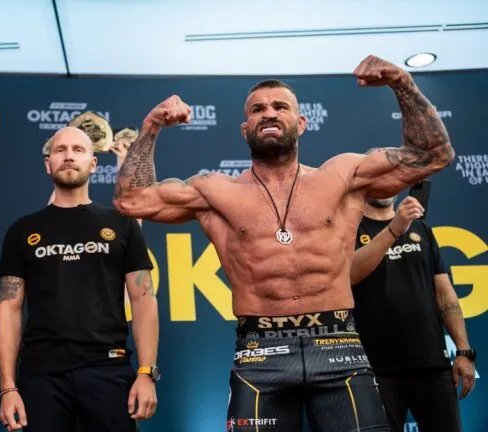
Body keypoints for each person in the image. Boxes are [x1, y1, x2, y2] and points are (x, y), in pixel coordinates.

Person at [113, 55, 455, 431]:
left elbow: (433, 155)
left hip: (339, 345)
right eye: (257, 109)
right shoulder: (215, 191)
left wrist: (403, 83)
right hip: (259, 353)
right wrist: (152, 125)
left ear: (301, 123)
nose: (269, 113)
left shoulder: (343, 177)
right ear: (245, 128)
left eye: (280, 106)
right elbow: (132, 201)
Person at [0, 127, 159, 431]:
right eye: (60, 150)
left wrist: (146, 373)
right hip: (41, 376)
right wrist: (8, 387)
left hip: (108, 370)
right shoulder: (22, 230)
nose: (69, 156)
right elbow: (9, 307)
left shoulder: (122, 225)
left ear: (93, 164)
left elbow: (143, 299)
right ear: (48, 164)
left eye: (78, 149)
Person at [351, 193, 476, 432]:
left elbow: (445, 294)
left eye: (390, 178)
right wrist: (394, 228)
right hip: (374, 369)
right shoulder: (350, 230)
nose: (386, 186)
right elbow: (350, 275)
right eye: (379, 178)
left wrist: (463, 351)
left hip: (432, 364)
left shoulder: (421, 229)